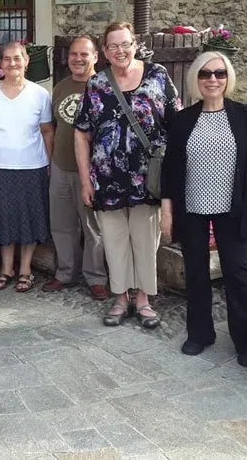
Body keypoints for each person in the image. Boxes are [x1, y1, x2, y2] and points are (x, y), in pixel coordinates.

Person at [161, 52, 247, 367]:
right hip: (191, 206)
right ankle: (200, 334)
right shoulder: (182, 120)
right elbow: (170, 170)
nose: (213, 80)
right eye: (205, 74)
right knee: (195, 273)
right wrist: (167, 212)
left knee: (237, 274)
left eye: (219, 73)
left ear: (227, 78)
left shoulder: (244, 116)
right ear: (196, 78)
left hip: (233, 207)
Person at [74, 21, 181, 329]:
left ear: (135, 45)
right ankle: (120, 298)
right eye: (113, 46)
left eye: (125, 44)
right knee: (114, 241)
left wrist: (175, 174)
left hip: (148, 179)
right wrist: (85, 180)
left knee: (145, 240)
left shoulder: (157, 76)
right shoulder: (97, 85)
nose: (120, 51)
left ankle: (144, 299)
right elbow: (81, 134)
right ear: (104, 52)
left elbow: (176, 123)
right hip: (107, 180)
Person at [0, 41, 53, 294]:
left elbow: (47, 132)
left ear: (27, 60)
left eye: (17, 58)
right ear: (1, 63)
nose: (12, 63)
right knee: (4, 221)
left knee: (29, 220)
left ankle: (26, 270)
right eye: (7, 59)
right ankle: (6, 268)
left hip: (33, 166)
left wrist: (50, 164)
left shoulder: (40, 95)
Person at [42, 35, 109, 301]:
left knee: (93, 227)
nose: (78, 59)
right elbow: (53, 128)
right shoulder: (60, 87)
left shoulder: (103, 87)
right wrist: (51, 162)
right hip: (61, 166)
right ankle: (65, 273)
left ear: (95, 57)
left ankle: (96, 278)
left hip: (92, 171)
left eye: (84, 54)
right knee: (62, 224)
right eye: (73, 54)